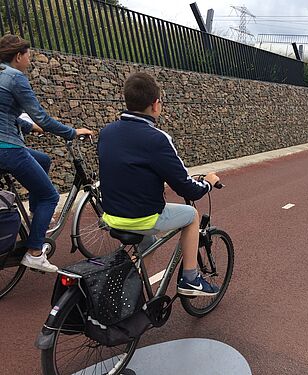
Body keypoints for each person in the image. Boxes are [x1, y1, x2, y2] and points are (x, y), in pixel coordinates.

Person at [98, 72, 220, 297]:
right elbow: (186, 188)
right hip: (142, 217)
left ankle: (126, 290)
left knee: (147, 243)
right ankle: (191, 279)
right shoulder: (156, 138)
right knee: (192, 215)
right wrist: (208, 184)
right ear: (155, 105)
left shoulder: (107, 132)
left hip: (110, 215)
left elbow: (125, 168)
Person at [0, 34, 93, 272]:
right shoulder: (15, 78)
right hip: (7, 149)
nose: (30, 59)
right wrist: (71, 132)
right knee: (51, 196)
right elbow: (40, 115)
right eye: (28, 54)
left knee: (43, 159)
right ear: (19, 56)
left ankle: (35, 212)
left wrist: (32, 127)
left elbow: (7, 114)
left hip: (5, 144)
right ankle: (34, 252)